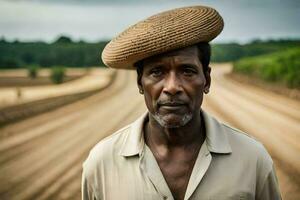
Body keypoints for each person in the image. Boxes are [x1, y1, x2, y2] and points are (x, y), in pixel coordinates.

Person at [82, 5, 282, 200]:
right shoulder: (102, 162)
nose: (172, 87)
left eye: (187, 71)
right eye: (157, 72)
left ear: (207, 80)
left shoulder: (252, 159)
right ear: (140, 82)